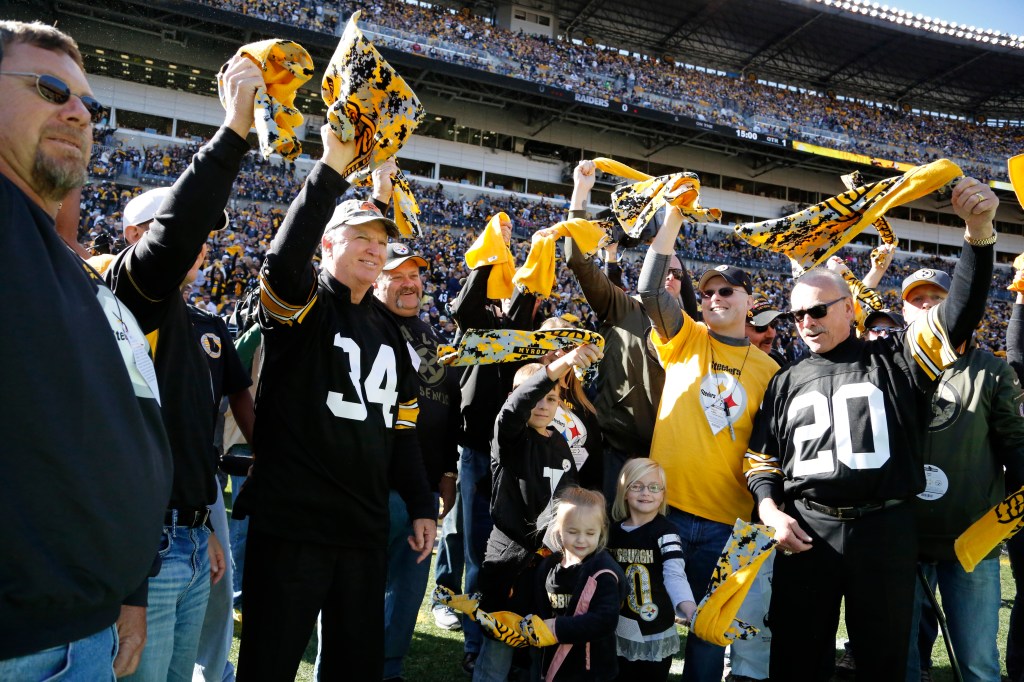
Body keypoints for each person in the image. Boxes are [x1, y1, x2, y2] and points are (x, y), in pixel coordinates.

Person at [744, 177, 996, 682]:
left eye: (818, 310)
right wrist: (770, 509)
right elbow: (761, 459)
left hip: (885, 529)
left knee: (883, 661)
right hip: (807, 529)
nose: (806, 322)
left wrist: (980, 232)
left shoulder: (897, 358)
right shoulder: (785, 378)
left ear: (850, 308)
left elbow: (959, 315)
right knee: (796, 657)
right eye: (797, 315)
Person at [232, 123, 436, 681]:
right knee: (268, 666)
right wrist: (329, 169)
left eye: (380, 241)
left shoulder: (392, 334)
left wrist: (420, 504)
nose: (374, 248)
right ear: (327, 243)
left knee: (355, 670)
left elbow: (403, 431)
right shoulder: (304, 306)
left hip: (363, 531)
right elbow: (279, 266)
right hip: (294, 527)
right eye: (359, 238)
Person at [0, 20, 171, 680]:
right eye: (50, 88)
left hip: (87, 632)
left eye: (89, 105)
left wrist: (128, 590)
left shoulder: (76, 273)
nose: (78, 112)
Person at [638, 204, 779, 682]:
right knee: (647, 628)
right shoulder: (685, 337)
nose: (715, 297)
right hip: (664, 510)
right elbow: (650, 289)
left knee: (706, 633)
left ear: (748, 300)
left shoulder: (771, 372)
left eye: (726, 290)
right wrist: (672, 221)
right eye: (707, 292)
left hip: (728, 523)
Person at [899, 266, 1024, 682]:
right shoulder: (887, 368)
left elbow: (1016, 444)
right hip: (901, 537)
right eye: (916, 300)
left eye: (936, 298)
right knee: (900, 660)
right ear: (903, 312)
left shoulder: (991, 369)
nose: (926, 306)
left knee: (977, 663)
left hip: (972, 539)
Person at [561, 159, 694, 505]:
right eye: (663, 269)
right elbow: (577, 257)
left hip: (671, 461)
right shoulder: (623, 308)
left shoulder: (695, 334)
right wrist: (581, 192)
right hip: (614, 455)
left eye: (678, 274)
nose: (670, 277)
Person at [474, 346, 601, 682]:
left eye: (551, 399)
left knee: (540, 645)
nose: (543, 405)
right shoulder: (510, 438)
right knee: (500, 642)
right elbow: (513, 410)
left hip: (550, 564)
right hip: (510, 560)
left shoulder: (560, 443)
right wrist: (557, 367)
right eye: (536, 397)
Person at [450, 214, 538, 674]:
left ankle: (503, 630)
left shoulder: (522, 322)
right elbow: (465, 307)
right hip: (476, 449)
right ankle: (473, 640)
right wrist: (489, 257)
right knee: (474, 548)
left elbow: (530, 299)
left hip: (513, 450)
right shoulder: (477, 318)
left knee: (507, 546)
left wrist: (533, 271)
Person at [373, 242, 461, 681]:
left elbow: (446, 407)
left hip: (422, 490)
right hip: (373, 483)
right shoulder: (365, 323)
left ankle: (389, 669)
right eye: (396, 276)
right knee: (360, 589)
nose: (409, 284)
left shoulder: (430, 336)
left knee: (406, 593)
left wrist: (447, 471)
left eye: (415, 276)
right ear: (375, 280)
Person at [189, 265, 256, 682]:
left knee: (217, 584)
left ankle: (213, 673)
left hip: (204, 478)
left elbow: (238, 391)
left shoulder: (209, 327)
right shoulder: (116, 311)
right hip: (146, 480)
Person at [607, 458, 695, 681]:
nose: (646, 492)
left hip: (654, 627)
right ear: (625, 492)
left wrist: (688, 607)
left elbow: (674, 573)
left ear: (663, 494)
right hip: (620, 625)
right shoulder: (611, 532)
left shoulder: (666, 532)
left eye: (654, 487)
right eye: (636, 486)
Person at [533, 487, 626, 681]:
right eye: (573, 532)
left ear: (601, 531)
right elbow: (538, 606)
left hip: (592, 671)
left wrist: (557, 627)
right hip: (553, 664)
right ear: (559, 530)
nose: (581, 540)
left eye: (590, 533)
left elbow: (605, 621)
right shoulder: (548, 566)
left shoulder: (604, 572)